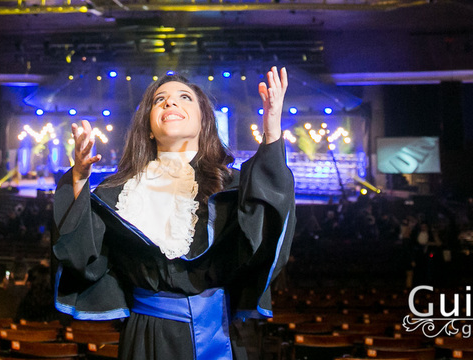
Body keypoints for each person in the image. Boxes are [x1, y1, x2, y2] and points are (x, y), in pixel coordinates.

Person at [53, 67, 294, 360]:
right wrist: (78, 177)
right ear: (149, 129)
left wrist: (271, 132)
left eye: (184, 97)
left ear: (204, 121)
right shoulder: (117, 193)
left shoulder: (233, 187)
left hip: (215, 334)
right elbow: (82, 255)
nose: (170, 102)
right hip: (144, 337)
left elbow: (267, 237)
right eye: (159, 100)